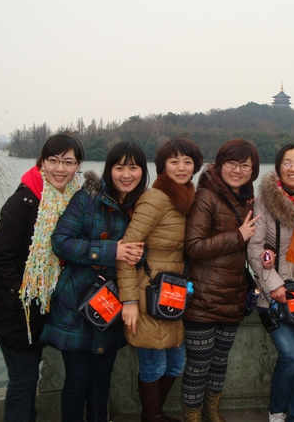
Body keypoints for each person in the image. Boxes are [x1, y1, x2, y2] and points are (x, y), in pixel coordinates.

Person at [0, 133, 84, 422]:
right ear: (42, 163)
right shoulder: (23, 201)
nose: (60, 169)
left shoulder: (74, 201)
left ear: (77, 166)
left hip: (46, 312)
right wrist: (26, 295)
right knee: (23, 382)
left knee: (32, 380)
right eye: (53, 160)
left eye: (68, 162)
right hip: (15, 313)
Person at [41, 142, 148, 422]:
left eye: (133, 167)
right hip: (77, 304)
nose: (126, 175)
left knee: (102, 382)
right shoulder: (87, 198)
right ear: (109, 169)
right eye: (120, 167)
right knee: (77, 383)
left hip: (112, 305)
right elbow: (60, 242)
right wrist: (111, 251)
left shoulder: (143, 207)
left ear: (143, 171)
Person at [117, 138, 204, 422]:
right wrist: (129, 301)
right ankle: (152, 416)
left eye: (188, 162)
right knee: (153, 363)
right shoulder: (155, 198)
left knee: (176, 363)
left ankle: (154, 413)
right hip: (148, 291)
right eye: (174, 161)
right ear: (162, 166)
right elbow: (127, 251)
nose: (181, 167)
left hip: (173, 292)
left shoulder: (187, 198)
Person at [182, 139, 260, 422]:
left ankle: (212, 412)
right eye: (231, 164)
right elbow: (194, 246)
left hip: (233, 298)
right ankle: (192, 416)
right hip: (203, 299)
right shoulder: (206, 196)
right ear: (219, 165)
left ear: (253, 170)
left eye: (245, 166)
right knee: (198, 367)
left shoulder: (246, 199)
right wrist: (238, 236)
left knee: (219, 364)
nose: (238, 171)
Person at [247, 144, 294, 422]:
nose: (293, 168)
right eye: (287, 162)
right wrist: (274, 286)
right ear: (278, 168)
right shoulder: (265, 201)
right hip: (273, 296)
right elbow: (256, 248)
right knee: (290, 355)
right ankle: (276, 412)